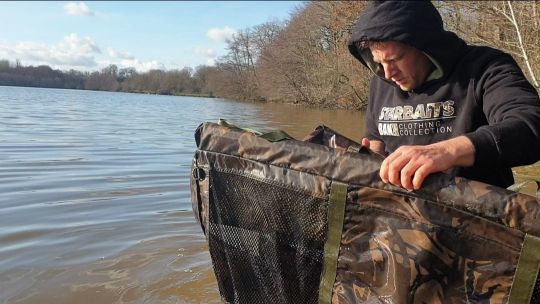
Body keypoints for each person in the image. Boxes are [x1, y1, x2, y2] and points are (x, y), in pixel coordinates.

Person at [347, 1, 540, 191]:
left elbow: (530, 125)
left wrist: (446, 152)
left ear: (425, 46)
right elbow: (376, 141)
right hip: (402, 215)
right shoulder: (381, 83)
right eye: (379, 62)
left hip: (477, 215)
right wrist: (368, 157)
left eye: (395, 59)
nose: (388, 73)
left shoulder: (485, 68)